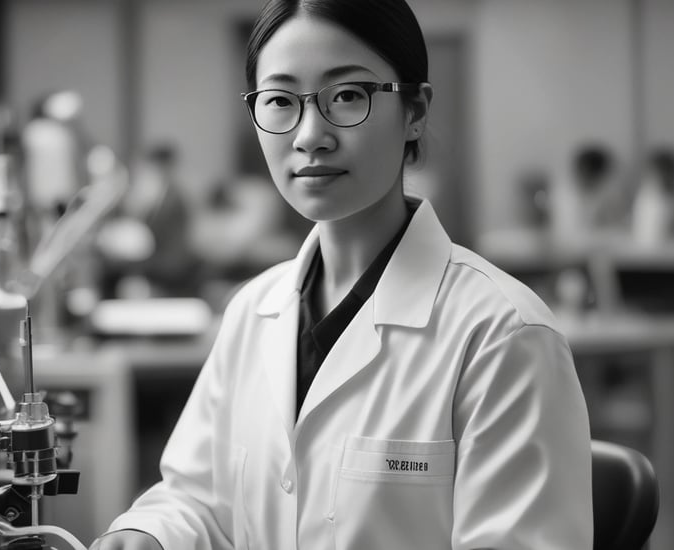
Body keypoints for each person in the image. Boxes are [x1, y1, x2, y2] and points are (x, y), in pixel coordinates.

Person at [91, 0, 593, 548]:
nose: (310, 135)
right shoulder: (252, 309)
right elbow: (198, 499)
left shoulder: (502, 335)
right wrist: (148, 536)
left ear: (415, 111)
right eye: (280, 100)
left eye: (348, 95)